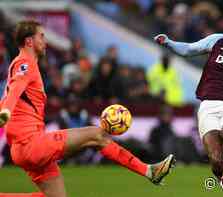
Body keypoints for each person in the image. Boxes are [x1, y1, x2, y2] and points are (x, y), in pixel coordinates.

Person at [0, 20, 175, 197]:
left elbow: (9, 95)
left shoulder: (19, 64)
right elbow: (15, 89)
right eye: (41, 36)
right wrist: (5, 112)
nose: (45, 41)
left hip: (22, 148)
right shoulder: (25, 64)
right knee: (96, 134)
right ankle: (149, 171)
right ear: (29, 41)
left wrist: (4, 110)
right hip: (31, 144)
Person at [154, 10, 223, 196]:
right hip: (208, 106)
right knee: (215, 160)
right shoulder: (218, 41)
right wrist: (168, 42)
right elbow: (189, 49)